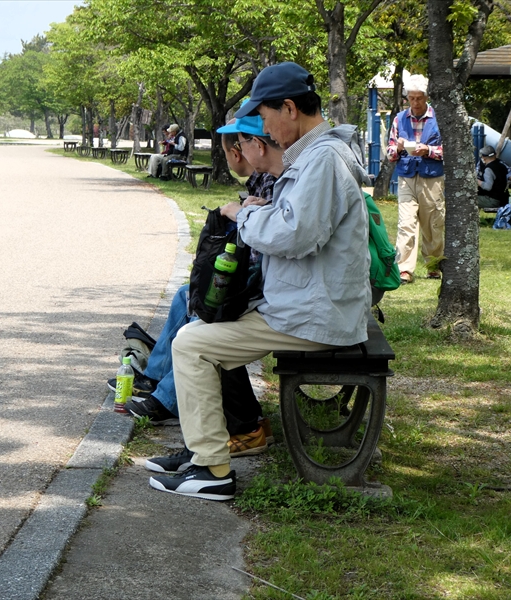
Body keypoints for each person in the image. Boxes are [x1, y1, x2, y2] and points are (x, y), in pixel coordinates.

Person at [147, 62, 371, 501]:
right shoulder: (317, 155)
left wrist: (244, 215)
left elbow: (295, 234)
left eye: (265, 117)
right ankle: (202, 453)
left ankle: (212, 470)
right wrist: (262, 211)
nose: (264, 128)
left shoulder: (323, 159)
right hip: (308, 305)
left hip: (313, 314)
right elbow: (298, 223)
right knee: (202, 328)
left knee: (191, 344)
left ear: (289, 108)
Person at [117, 116, 280, 457]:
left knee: (204, 314)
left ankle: (171, 404)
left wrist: (240, 214)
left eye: (238, 147)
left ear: (245, 150)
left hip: (274, 293)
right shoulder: (265, 179)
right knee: (187, 295)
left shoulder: (274, 179)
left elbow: (264, 244)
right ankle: (158, 379)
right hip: (270, 285)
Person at [386, 74, 445, 284]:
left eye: (419, 98)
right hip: (406, 176)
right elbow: (389, 153)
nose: (415, 102)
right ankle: (404, 269)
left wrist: (428, 150)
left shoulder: (439, 118)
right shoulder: (399, 119)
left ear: (426, 97)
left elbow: (450, 151)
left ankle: (433, 265)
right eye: (411, 98)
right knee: (406, 223)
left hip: (432, 177)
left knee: (433, 223)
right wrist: (398, 147)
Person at [476, 145, 509, 209]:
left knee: (467, 199)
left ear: (484, 157)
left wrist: (476, 181)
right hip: (502, 199)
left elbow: (488, 187)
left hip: (492, 200)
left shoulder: (488, 169)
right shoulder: (502, 166)